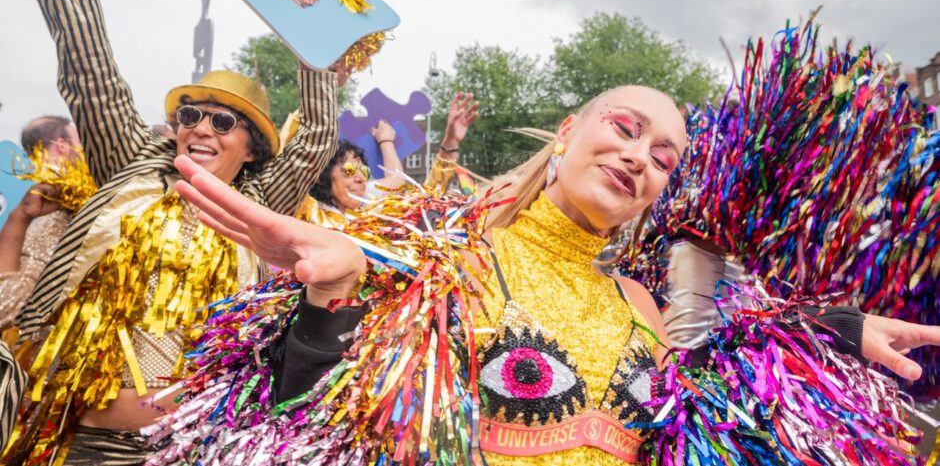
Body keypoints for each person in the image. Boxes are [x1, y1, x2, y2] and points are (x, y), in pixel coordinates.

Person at [156, 83, 940, 465]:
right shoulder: (445, 255)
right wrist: (328, 304)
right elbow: (308, 427)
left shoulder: (641, 304)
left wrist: (831, 329)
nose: (640, 157)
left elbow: (723, 395)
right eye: (626, 130)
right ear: (568, 133)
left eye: (663, 158)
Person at [5, 0, 344, 464]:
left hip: (200, 447)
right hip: (86, 445)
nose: (202, 127)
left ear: (252, 149)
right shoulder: (131, 160)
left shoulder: (258, 201)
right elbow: (87, 66)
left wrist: (308, 25)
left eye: (223, 121)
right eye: (190, 115)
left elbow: (318, 134)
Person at [300, 91, 479, 225]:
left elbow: (400, 185)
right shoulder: (310, 215)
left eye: (364, 170)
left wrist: (450, 142)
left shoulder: (371, 205)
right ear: (322, 177)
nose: (360, 178)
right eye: (349, 170)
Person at [0, 116, 82, 329]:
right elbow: (5, 306)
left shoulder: (16, 188)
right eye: (80, 141)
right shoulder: (47, 214)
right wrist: (18, 219)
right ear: (63, 145)